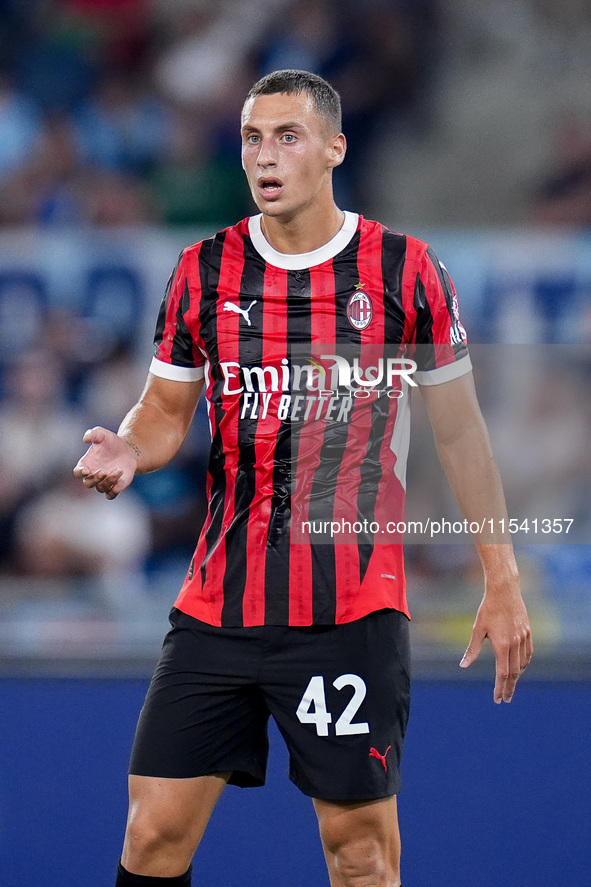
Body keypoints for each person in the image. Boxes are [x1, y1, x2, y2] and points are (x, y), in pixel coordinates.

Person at [74, 69, 533, 887]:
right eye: (252, 137)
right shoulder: (202, 271)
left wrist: (500, 576)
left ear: (333, 149)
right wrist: (131, 449)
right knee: (152, 834)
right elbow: (164, 409)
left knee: (358, 850)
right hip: (219, 604)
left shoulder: (403, 270)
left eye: (287, 136)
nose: (265, 156)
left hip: (347, 609)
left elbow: (459, 431)